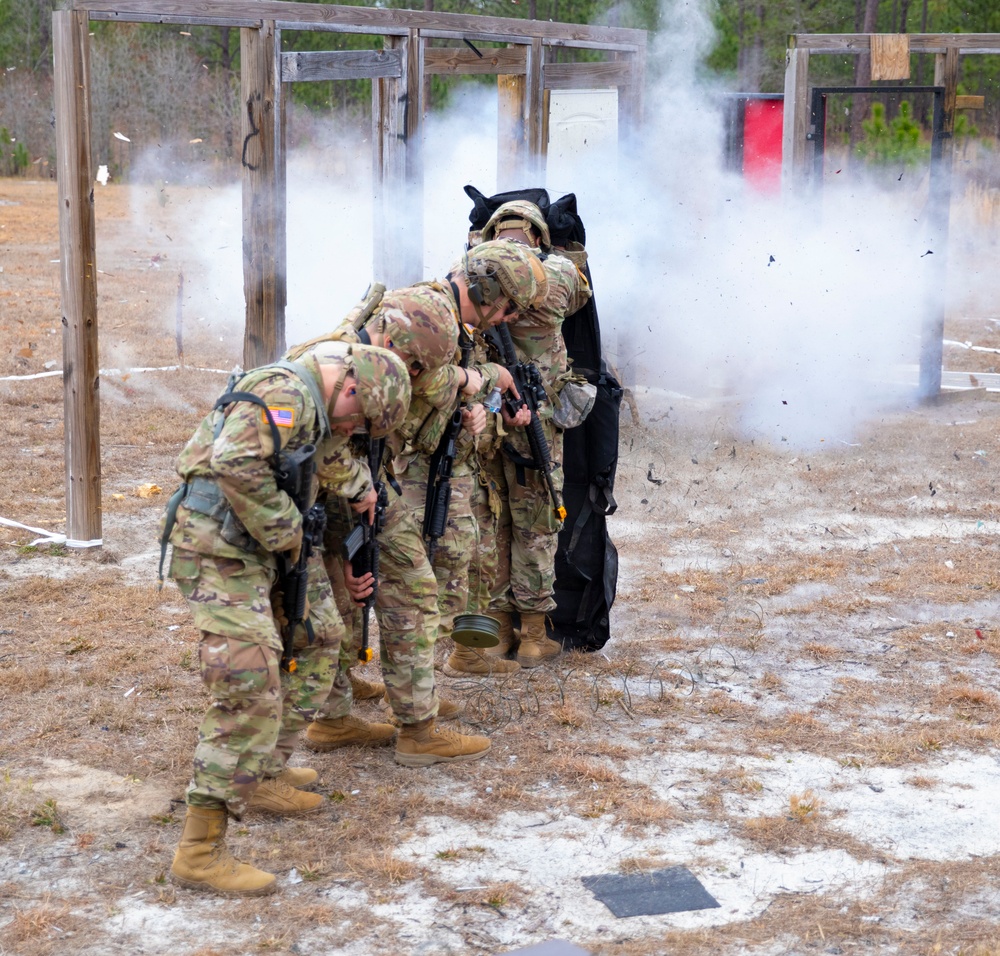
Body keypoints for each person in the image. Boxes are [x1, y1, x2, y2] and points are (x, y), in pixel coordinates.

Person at [159, 342, 410, 896]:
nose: (352, 432)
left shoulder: (324, 409)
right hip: (220, 545)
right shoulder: (286, 394)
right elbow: (234, 463)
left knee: (320, 636)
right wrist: (289, 537)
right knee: (250, 683)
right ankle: (200, 851)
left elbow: (328, 460)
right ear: (349, 390)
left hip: (272, 539)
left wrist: (358, 500)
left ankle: (264, 771)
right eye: (358, 421)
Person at [304, 240, 540, 765]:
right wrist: (479, 381)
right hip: (344, 464)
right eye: (508, 307)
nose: (507, 319)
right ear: (487, 291)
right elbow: (419, 386)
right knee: (409, 585)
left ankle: (334, 711)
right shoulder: (433, 318)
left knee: (347, 581)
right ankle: (416, 730)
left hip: (342, 462)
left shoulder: (427, 310)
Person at [474, 201, 592, 668]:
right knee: (537, 523)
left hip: (486, 416)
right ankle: (532, 636)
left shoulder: (473, 276)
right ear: (538, 238)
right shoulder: (556, 275)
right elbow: (582, 292)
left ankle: (497, 630)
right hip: (538, 420)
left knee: (492, 521)